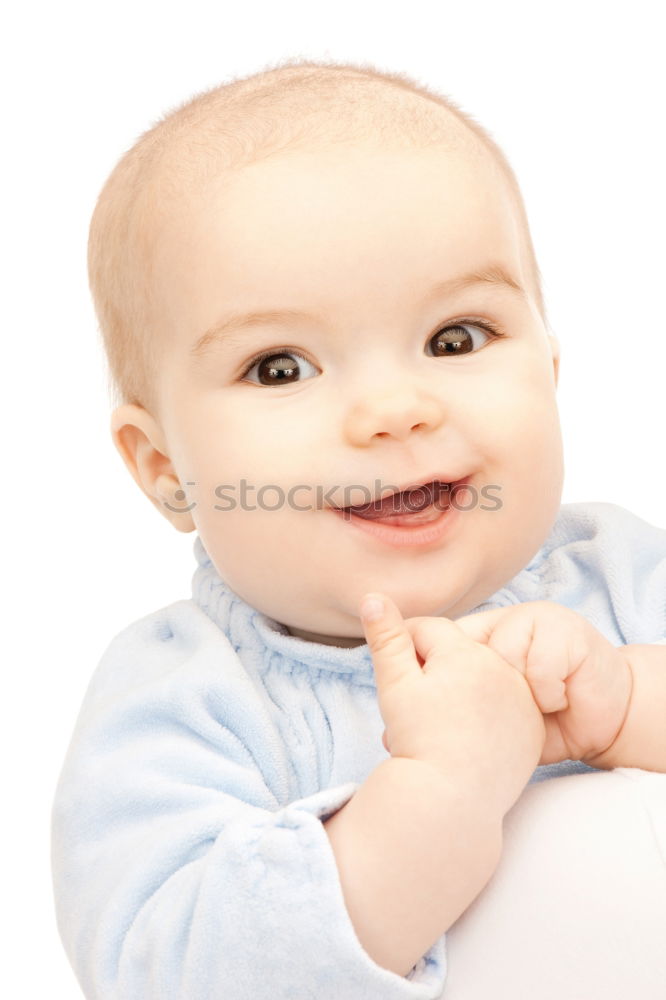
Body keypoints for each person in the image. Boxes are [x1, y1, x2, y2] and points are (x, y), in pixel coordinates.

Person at [51, 60, 666, 999]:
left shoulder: (622, 578)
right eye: (280, 367)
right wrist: (441, 793)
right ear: (167, 470)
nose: (393, 408)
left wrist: (625, 702)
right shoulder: (185, 705)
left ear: (550, 367)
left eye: (455, 338)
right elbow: (164, 972)